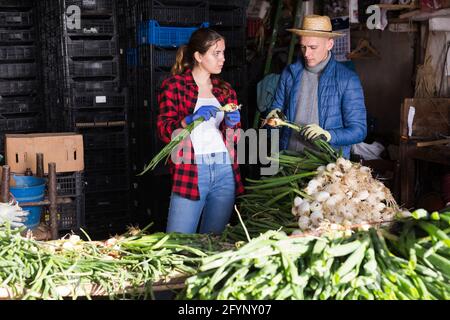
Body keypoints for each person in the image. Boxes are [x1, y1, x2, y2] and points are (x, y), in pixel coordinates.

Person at [157, 28, 244, 234]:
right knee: (178, 241)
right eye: (216, 53)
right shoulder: (174, 86)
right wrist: (187, 120)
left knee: (214, 241)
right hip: (191, 168)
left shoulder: (225, 90)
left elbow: (235, 138)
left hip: (225, 169)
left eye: (223, 52)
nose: (223, 58)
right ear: (198, 56)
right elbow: (163, 130)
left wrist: (232, 125)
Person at [267, 15, 367, 158]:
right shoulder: (289, 73)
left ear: (329, 44)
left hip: (326, 166)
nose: (307, 54)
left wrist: (329, 135)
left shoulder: (348, 79)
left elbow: (359, 130)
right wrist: (273, 116)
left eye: (313, 47)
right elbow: (276, 108)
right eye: (303, 47)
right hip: (289, 160)